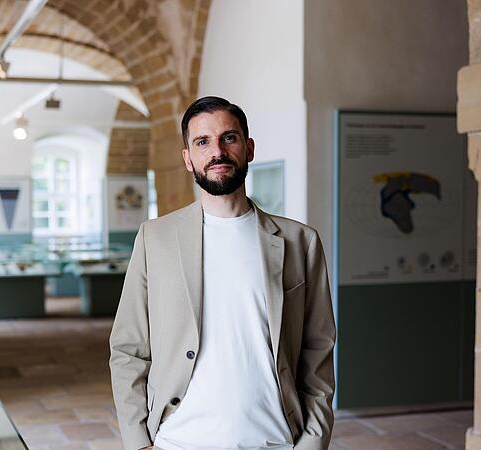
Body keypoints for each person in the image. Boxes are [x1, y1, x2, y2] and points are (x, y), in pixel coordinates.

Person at [109, 96, 336, 450]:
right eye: (202, 142)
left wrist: (313, 441)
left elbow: (318, 350)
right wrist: (138, 441)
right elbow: (128, 348)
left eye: (228, 138)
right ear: (188, 158)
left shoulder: (299, 241)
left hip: (275, 440)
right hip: (178, 441)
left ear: (249, 148)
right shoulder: (155, 239)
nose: (217, 151)